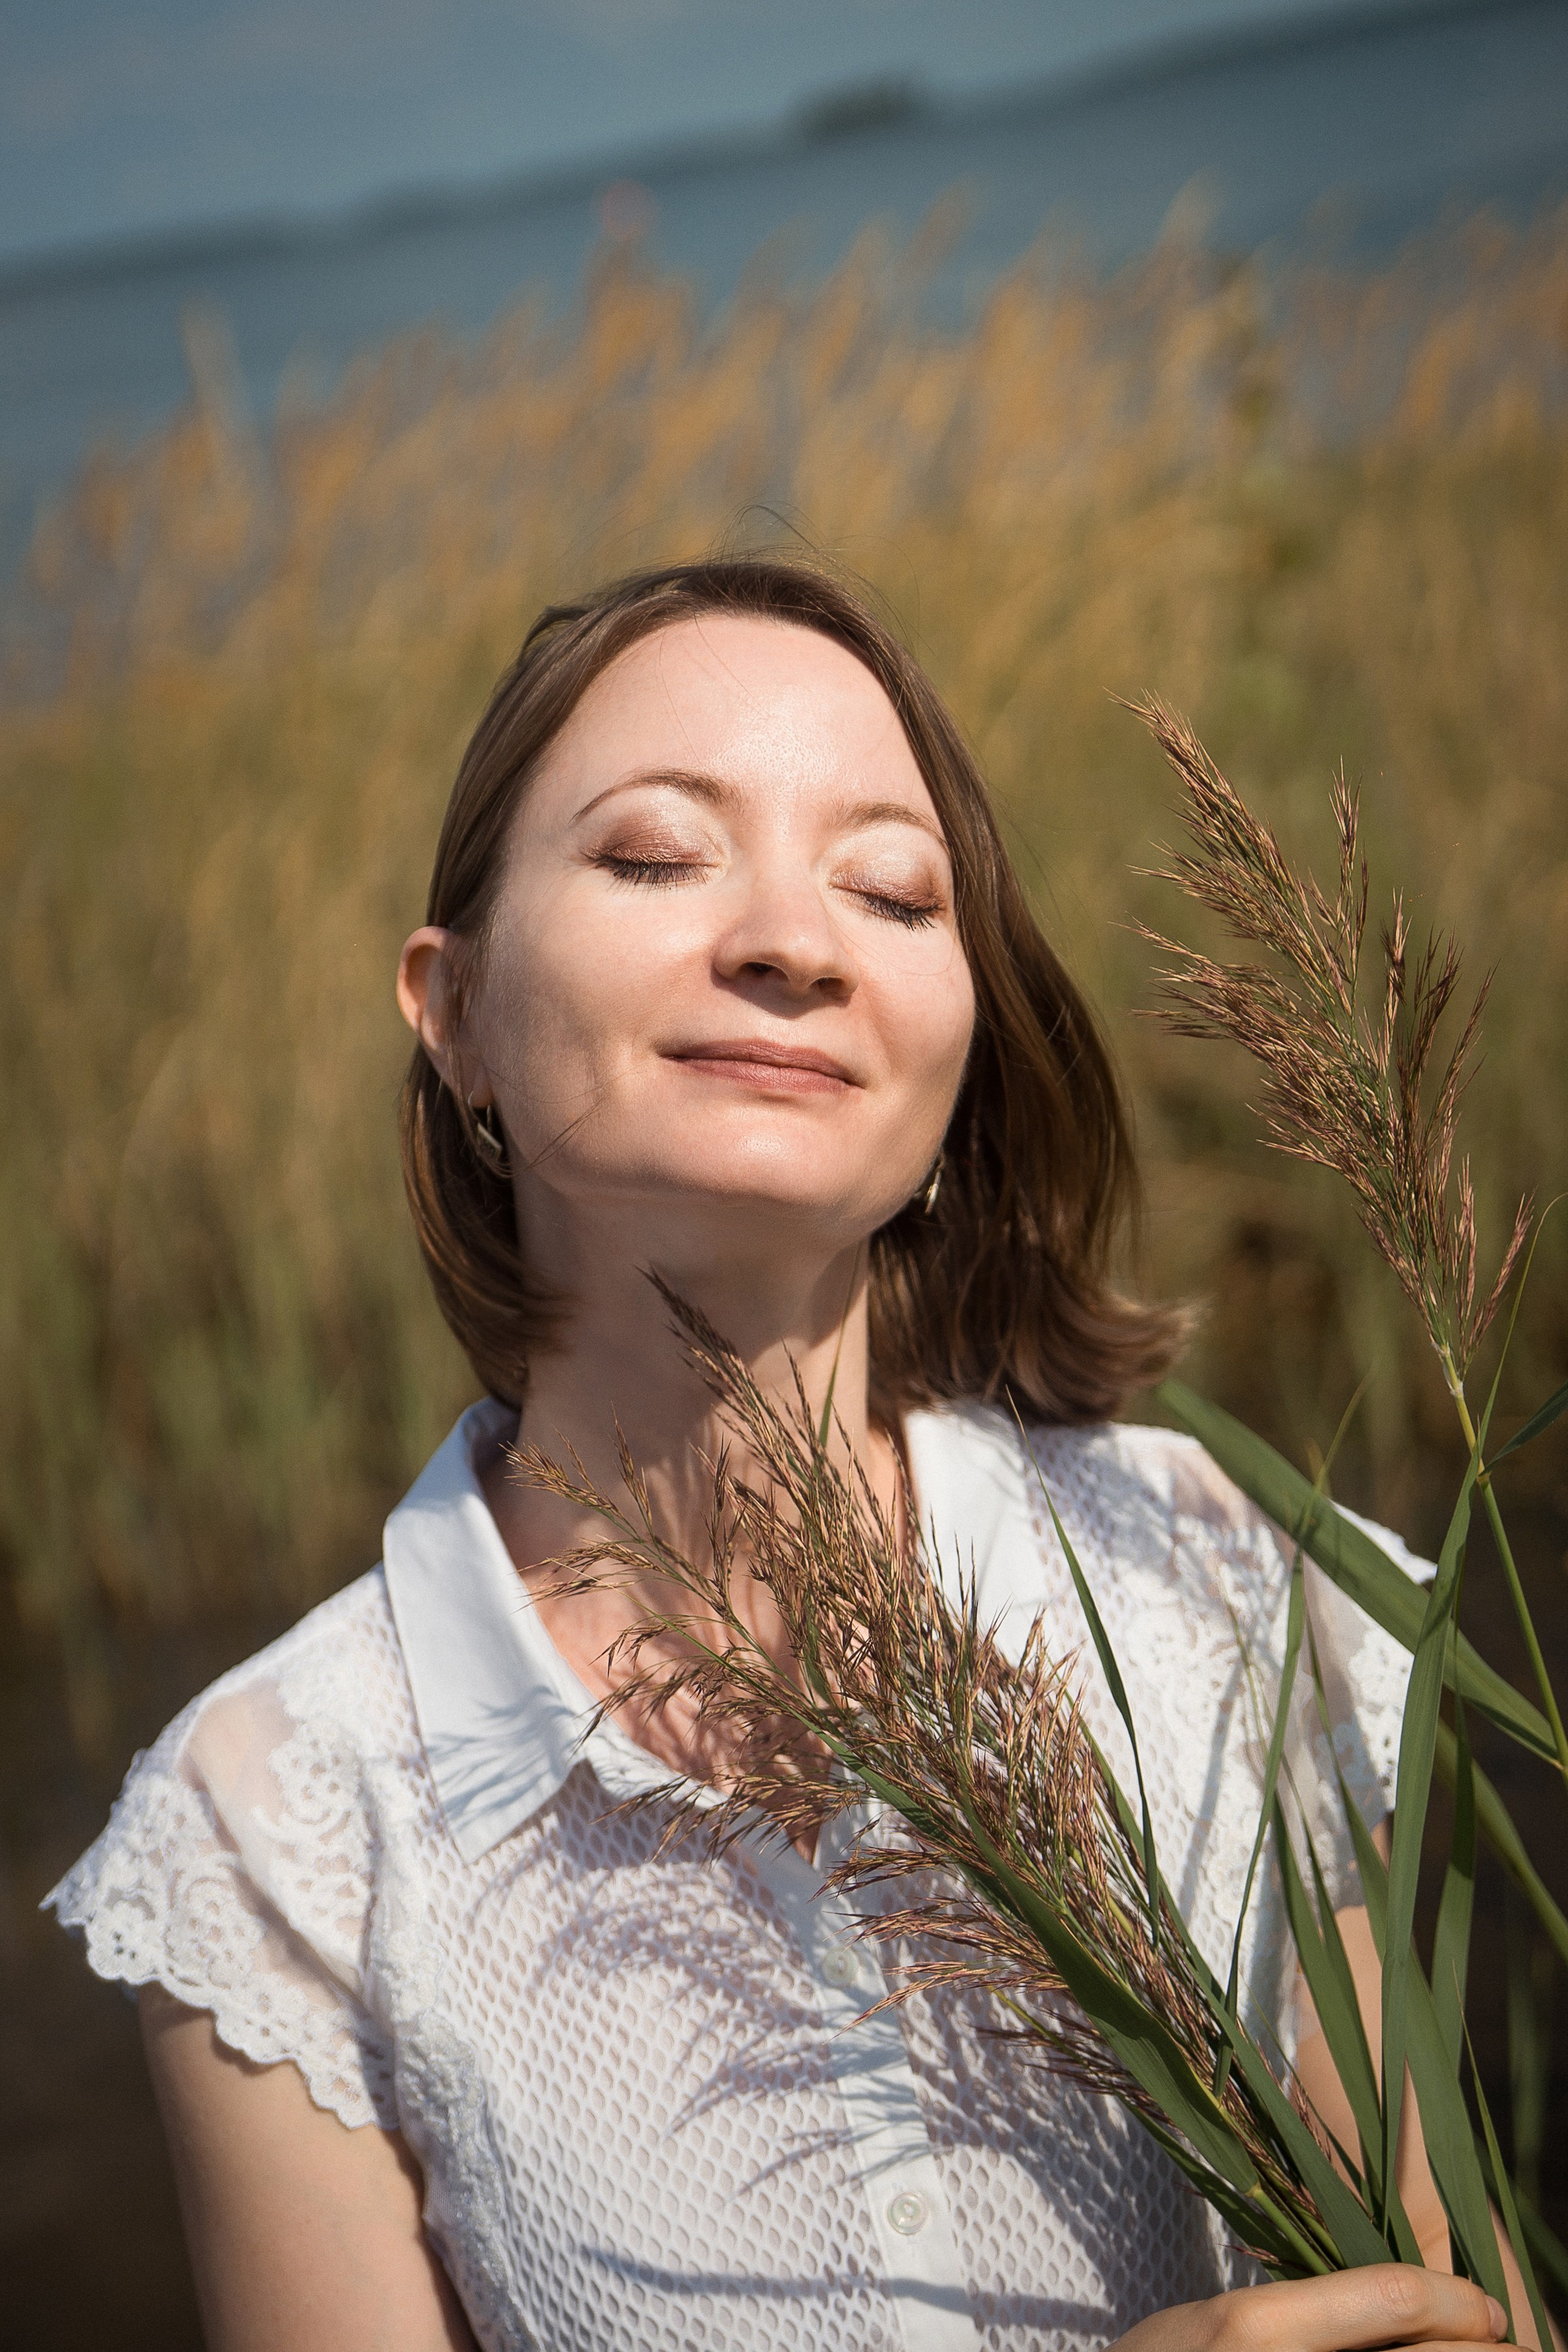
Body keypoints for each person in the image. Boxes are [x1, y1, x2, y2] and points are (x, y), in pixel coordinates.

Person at [48, 557, 1527, 2352]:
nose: (794, 941)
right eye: (656, 855)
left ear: (957, 1057)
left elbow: (1458, 2286)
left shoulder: (1193, 1558)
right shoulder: (276, 1820)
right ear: (456, 1012)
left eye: (892, 892)